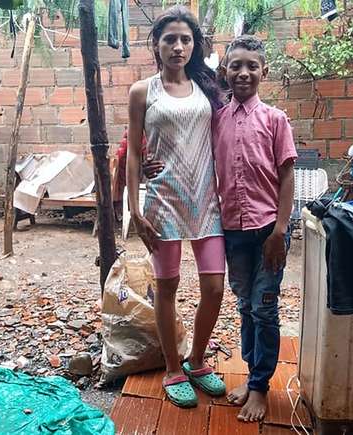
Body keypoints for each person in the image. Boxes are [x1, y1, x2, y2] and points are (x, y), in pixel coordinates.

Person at [145, 35, 298, 421]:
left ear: (264, 71)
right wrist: (150, 163)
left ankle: (261, 386)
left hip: (268, 232)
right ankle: (251, 376)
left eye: (251, 66)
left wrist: (280, 230)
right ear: (225, 72)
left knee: (265, 309)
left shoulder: (275, 120)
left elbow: (287, 176)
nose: (243, 72)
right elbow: (183, 144)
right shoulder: (217, 118)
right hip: (231, 229)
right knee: (246, 307)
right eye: (236, 66)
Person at [125, 5, 227, 408]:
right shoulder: (142, 91)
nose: (179, 46)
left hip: (207, 200)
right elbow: (135, 152)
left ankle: (197, 360)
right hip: (163, 201)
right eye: (170, 39)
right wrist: (134, 207)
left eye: (186, 39)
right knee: (166, 286)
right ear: (156, 44)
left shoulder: (208, 86)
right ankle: (172, 367)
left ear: (195, 45)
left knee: (215, 288)